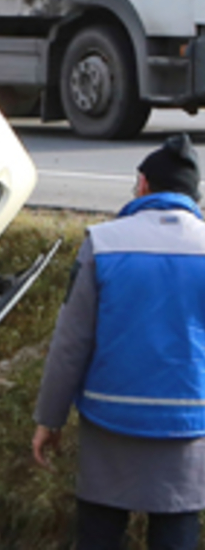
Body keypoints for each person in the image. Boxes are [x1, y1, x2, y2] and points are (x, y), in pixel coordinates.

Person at [33, 133, 205, 550]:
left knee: (99, 533)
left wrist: (49, 418)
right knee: (176, 532)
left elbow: (71, 342)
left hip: (109, 423)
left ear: (143, 184)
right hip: (187, 427)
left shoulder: (103, 243)